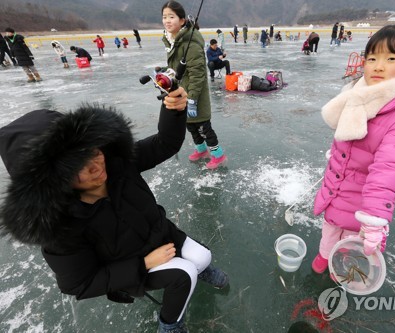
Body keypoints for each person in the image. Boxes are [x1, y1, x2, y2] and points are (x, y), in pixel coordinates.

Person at [0, 90, 229, 333]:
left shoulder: (119, 164)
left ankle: (202, 269)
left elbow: (166, 143)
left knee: (202, 257)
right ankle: (170, 324)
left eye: (90, 149)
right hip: (130, 266)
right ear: (51, 180)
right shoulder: (59, 227)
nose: (95, 165)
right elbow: (80, 283)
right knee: (184, 274)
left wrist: (173, 110)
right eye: (76, 165)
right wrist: (143, 264)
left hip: (162, 235)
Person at [311, 24, 395, 277]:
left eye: (391, 58)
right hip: (337, 191)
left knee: (350, 244)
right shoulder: (358, 96)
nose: (378, 66)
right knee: (329, 230)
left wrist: (373, 220)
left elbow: (387, 171)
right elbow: (347, 139)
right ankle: (325, 254)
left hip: (363, 203)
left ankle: (341, 265)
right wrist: (335, 157)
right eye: (372, 58)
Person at [162, 0, 227, 169]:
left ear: (182, 20)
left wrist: (193, 99)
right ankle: (201, 150)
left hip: (194, 93)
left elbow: (198, 74)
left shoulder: (190, 42)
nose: (167, 20)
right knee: (190, 126)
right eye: (164, 17)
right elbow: (176, 68)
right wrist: (166, 73)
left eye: (171, 16)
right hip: (182, 92)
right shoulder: (173, 40)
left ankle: (218, 155)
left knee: (204, 127)